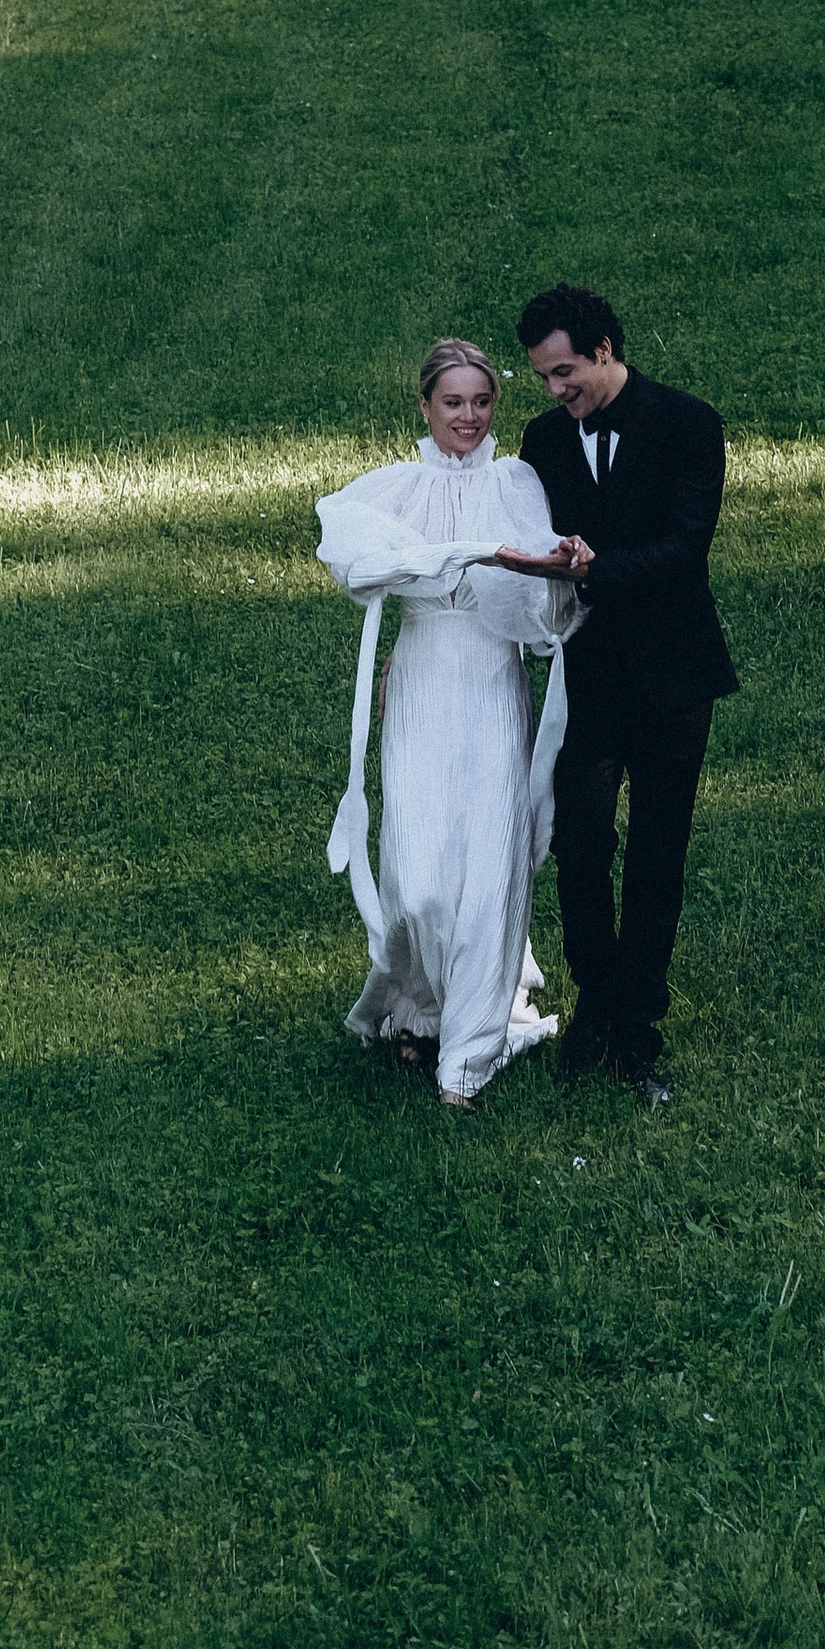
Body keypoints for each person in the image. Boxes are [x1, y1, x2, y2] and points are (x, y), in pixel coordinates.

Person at [315, 338, 583, 1107]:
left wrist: (547, 567)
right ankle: (420, 1006)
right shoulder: (396, 489)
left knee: (490, 861)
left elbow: (539, 605)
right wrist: (468, 556)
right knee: (422, 874)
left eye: (483, 401)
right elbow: (356, 559)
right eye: (453, 402)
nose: (469, 417)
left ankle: (467, 1051)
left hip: (491, 684)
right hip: (425, 681)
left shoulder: (516, 481)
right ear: (427, 406)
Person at [516, 283, 738, 1106]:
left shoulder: (687, 422)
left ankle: (638, 1032)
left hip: (677, 676)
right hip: (591, 677)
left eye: (565, 371)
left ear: (605, 350)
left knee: (655, 856)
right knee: (580, 847)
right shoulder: (543, 441)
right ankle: (594, 1008)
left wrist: (591, 569)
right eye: (544, 376)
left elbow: (686, 547)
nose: (554, 391)